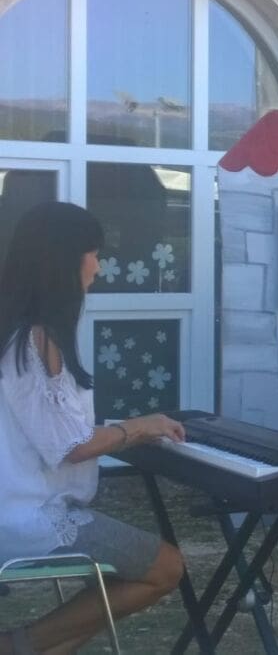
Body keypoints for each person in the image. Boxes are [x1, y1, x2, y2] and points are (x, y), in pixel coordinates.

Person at [0, 202, 188, 653]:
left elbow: (51, 428)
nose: (99, 267)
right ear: (64, 259)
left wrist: (131, 430)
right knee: (167, 567)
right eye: (94, 254)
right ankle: (15, 645)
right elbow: (73, 446)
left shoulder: (20, 332)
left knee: (120, 584)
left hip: (23, 510)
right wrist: (138, 427)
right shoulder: (36, 339)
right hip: (33, 518)